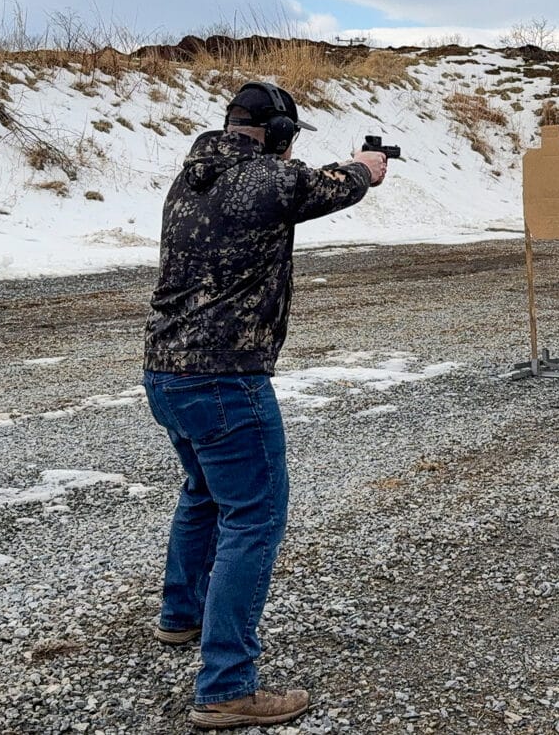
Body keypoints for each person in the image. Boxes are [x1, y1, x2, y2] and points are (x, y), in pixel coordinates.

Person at [141, 80, 388, 729]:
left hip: (167, 372)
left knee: (202, 494)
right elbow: (329, 186)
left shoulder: (190, 178)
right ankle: (226, 685)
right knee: (254, 517)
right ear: (276, 136)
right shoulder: (262, 182)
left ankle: (180, 616)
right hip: (226, 379)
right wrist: (365, 168)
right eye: (286, 141)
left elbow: (292, 184)